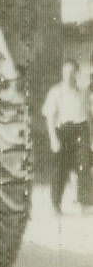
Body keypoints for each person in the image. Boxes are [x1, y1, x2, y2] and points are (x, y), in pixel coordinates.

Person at [42, 58, 92, 214]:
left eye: (72, 72)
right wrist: (53, 139)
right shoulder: (56, 91)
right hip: (63, 131)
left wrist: (90, 138)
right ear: (62, 73)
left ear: (76, 73)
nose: (69, 75)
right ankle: (55, 205)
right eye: (66, 72)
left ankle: (84, 204)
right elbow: (50, 117)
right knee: (60, 169)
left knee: (84, 165)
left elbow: (89, 115)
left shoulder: (83, 92)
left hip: (81, 130)